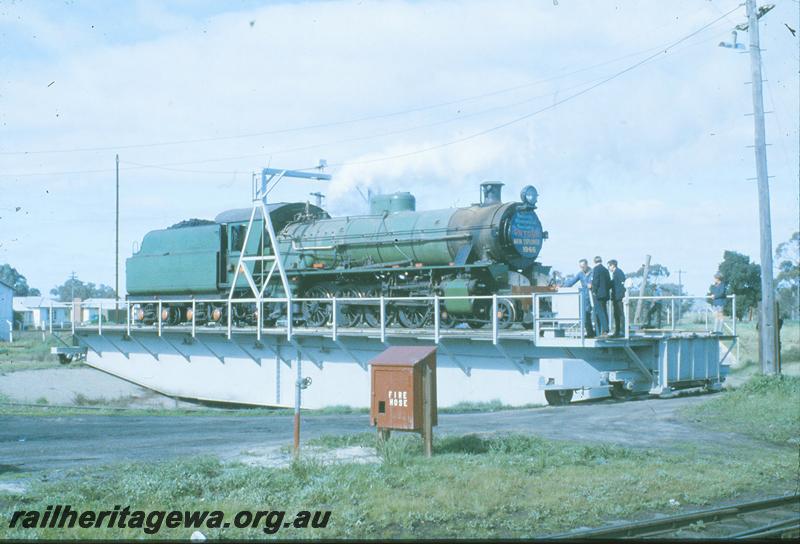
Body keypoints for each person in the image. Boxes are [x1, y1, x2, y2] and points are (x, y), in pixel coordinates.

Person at [563, 259, 595, 338]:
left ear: (587, 265)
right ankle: (590, 332)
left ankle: (599, 332)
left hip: (593, 296)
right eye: (580, 267)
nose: (582, 268)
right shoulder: (580, 274)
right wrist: (562, 286)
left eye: (583, 266)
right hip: (585, 297)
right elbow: (571, 282)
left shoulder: (593, 272)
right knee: (586, 314)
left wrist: (592, 285)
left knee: (596, 314)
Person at [589, 256, 611, 336]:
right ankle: (603, 329)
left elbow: (596, 281)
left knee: (600, 312)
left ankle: (605, 330)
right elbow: (608, 282)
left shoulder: (596, 269)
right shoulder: (605, 270)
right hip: (605, 294)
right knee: (604, 312)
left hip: (598, 295)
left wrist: (593, 290)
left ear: (594, 262)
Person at [608, 259, 626, 337]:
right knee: (617, 314)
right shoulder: (616, 273)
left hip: (619, 297)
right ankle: (618, 331)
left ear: (613, 265)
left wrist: (622, 296)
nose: (609, 268)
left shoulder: (618, 272)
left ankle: (621, 331)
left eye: (609, 266)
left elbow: (622, 285)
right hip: (616, 297)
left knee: (620, 314)